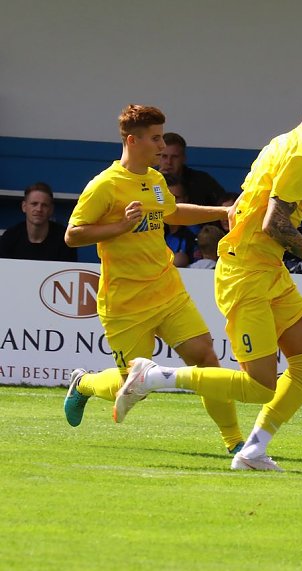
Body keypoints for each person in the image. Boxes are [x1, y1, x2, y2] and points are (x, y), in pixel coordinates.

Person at [113, 67, 302, 472]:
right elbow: (276, 224)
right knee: (260, 385)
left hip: (267, 268)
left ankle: (251, 452)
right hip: (246, 271)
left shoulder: (285, 142)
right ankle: (155, 377)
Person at [62, 104, 246, 456]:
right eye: (156, 138)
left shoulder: (155, 179)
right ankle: (83, 384)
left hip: (167, 290)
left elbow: (172, 212)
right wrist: (119, 226)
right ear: (133, 140)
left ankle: (235, 443)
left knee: (206, 359)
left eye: (162, 136)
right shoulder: (104, 185)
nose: (162, 146)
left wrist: (223, 211)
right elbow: (73, 235)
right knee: (132, 386)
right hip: (125, 304)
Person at [0, 182, 77, 262]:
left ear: (51, 209)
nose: (39, 209)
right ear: (24, 207)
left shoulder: (64, 239)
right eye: (34, 204)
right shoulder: (10, 238)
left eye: (44, 205)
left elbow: (68, 272)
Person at [159, 132, 227, 206]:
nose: (169, 162)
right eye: (164, 156)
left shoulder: (201, 180)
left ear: (184, 158)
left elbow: (224, 201)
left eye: (175, 157)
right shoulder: (149, 180)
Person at [163, 175, 198, 267]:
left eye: (176, 198)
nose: (172, 203)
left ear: (185, 199)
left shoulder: (195, 233)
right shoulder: (152, 228)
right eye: (168, 199)